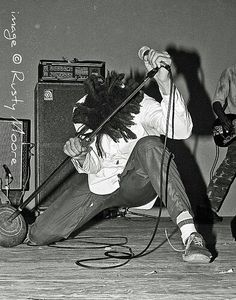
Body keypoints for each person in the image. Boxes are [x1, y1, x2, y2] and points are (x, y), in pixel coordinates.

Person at [27, 48, 212, 263]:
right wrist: (81, 153)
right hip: (100, 186)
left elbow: (181, 130)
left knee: (150, 144)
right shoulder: (86, 111)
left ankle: (190, 234)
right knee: (39, 234)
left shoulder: (141, 105)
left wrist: (165, 84)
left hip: (136, 184)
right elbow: (93, 164)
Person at [207, 64, 236, 220]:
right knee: (230, 166)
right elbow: (217, 101)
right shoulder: (230, 72)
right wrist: (224, 119)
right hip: (234, 127)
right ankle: (208, 209)